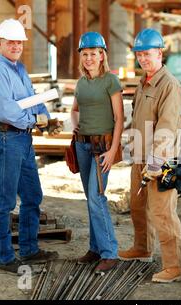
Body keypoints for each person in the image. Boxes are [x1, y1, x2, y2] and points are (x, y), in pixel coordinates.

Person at [0, 19, 62, 274]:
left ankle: (28, 249)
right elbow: (5, 111)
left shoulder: (20, 70)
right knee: (4, 200)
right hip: (6, 138)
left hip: (23, 139)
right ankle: (4, 257)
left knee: (32, 196)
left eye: (19, 42)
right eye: (11, 42)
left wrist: (45, 117)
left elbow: (32, 99)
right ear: (0, 43)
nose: (16, 46)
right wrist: (33, 121)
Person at [119, 28, 181, 283]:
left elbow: (167, 126)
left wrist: (156, 160)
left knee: (163, 213)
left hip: (161, 161)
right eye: (139, 54)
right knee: (137, 206)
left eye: (147, 54)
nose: (143, 58)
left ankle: (173, 266)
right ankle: (142, 248)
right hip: (140, 157)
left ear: (160, 52)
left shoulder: (169, 85)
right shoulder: (143, 82)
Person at [70, 32, 124, 273]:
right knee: (90, 198)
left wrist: (113, 150)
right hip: (82, 145)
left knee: (96, 196)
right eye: (85, 54)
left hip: (103, 147)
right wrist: (74, 123)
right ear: (81, 57)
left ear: (102, 56)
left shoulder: (111, 82)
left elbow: (120, 118)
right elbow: (74, 110)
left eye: (94, 54)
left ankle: (109, 253)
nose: (89, 58)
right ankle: (94, 249)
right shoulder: (81, 83)